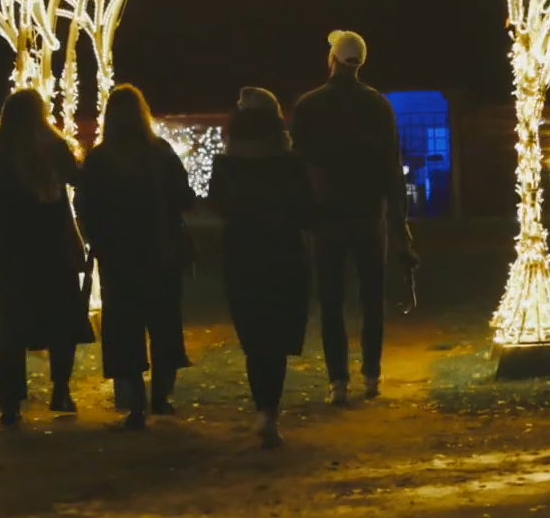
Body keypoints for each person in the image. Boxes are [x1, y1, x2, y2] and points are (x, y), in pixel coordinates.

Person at [290, 29, 418, 405]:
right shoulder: (378, 106)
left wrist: (304, 214)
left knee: (331, 301)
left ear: (332, 59)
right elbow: (392, 169)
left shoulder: (310, 106)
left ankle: (338, 380)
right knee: (371, 298)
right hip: (368, 216)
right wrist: (398, 223)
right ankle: (372, 375)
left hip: (327, 217)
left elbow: (300, 166)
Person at [0, 88, 96, 426]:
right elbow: (79, 180)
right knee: (60, 318)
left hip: (6, 245)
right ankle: (61, 389)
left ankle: (11, 401)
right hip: (49, 242)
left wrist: (4, 193)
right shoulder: (54, 147)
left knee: (8, 324)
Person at [75, 83, 195, 430]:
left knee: (123, 324)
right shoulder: (160, 153)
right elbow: (183, 198)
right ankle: (162, 395)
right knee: (163, 322)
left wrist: (96, 238)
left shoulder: (99, 160)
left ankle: (134, 400)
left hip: (118, 255)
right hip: (160, 250)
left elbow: (86, 205)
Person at [207, 87, 314, 448]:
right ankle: (270, 411)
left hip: (243, 256)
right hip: (284, 255)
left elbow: (217, 206)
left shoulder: (227, 164)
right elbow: (307, 209)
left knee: (255, 340)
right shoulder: (289, 162)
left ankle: (262, 409)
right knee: (277, 339)